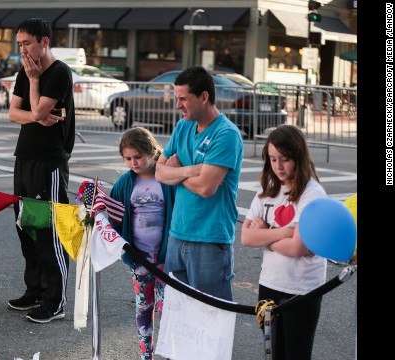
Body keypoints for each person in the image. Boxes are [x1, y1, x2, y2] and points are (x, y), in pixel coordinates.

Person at [154, 66, 243, 301]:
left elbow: (206, 188)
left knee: (209, 319)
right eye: (176, 98)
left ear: (204, 97)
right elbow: (159, 172)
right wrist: (192, 170)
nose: (177, 105)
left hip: (210, 240)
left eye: (183, 99)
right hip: (178, 233)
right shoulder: (183, 125)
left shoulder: (226, 134)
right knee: (179, 317)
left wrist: (177, 171)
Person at [7, 17, 75, 324]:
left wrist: (34, 83)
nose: (22, 49)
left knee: (47, 231)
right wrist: (36, 116)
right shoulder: (25, 68)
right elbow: (13, 113)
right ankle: (33, 290)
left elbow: (34, 109)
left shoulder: (58, 72)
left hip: (49, 161)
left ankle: (54, 300)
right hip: (25, 156)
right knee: (26, 226)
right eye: (19, 44)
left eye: (27, 43)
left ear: (44, 41)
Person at [241, 125, 327, 360]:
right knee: (274, 354)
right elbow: (247, 237)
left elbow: (297, 248)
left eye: (285, 159)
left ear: (298, 157)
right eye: (272, 159)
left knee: (296, 355)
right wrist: (286, 232)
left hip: (302, 290)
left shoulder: (312, 194)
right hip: (270, 283)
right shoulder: (267, 189)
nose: (278, 166)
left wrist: (266, 234)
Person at [109, 127, 175, 360]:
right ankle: (145, 355)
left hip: (167, 259)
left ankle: (168, 354)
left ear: (152, 151)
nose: (133, 162)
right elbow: (114, 221)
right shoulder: (124, 184)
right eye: (128, 158)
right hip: (139, 258)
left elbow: (178, 213)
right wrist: (126, 253)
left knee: (167, 310)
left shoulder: (167, 178)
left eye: (138, 156)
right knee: (143, 308)